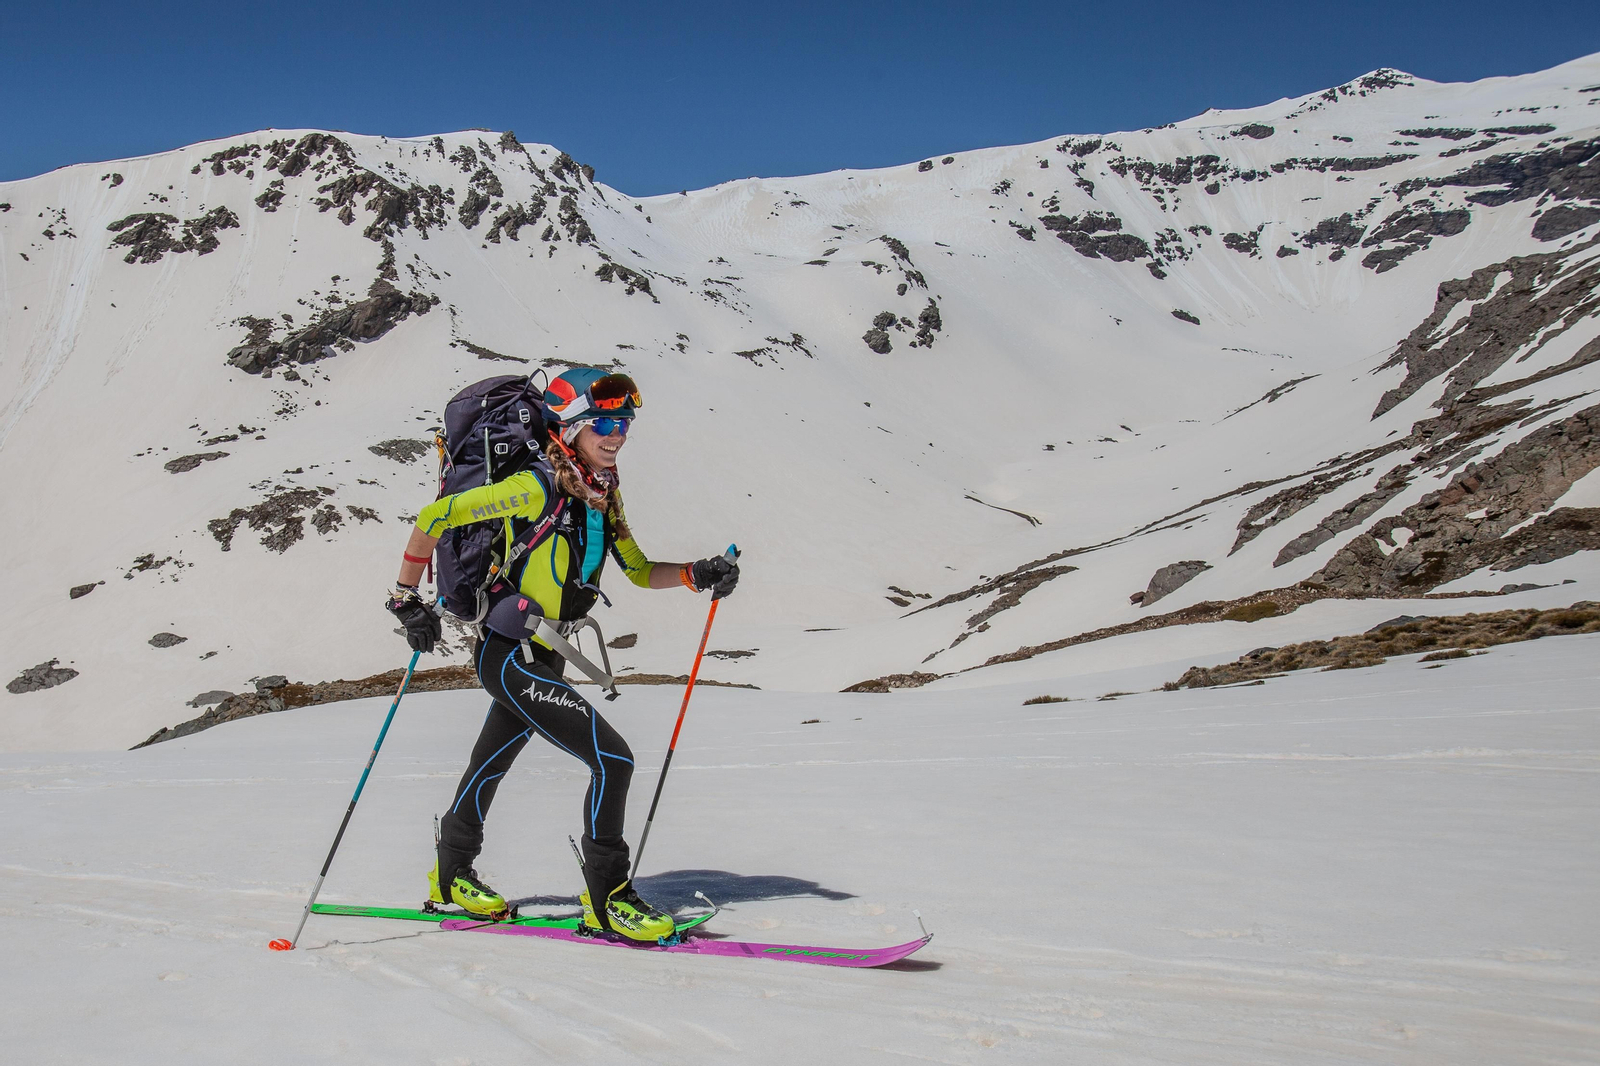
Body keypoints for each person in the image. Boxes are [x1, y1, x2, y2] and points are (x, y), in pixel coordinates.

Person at [385, 369, 739, 940]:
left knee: (489, 763)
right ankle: (608, 899)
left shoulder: (601, 490)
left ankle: (450, 876)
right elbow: (434, 518)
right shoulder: (535, 486)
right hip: (508, 653)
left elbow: (642, 571)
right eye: (603, 423)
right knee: (613, 760)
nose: (617, 433)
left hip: (546, 651)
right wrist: (405, 599)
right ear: (570, 427)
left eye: (624, 423)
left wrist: (699, 575)